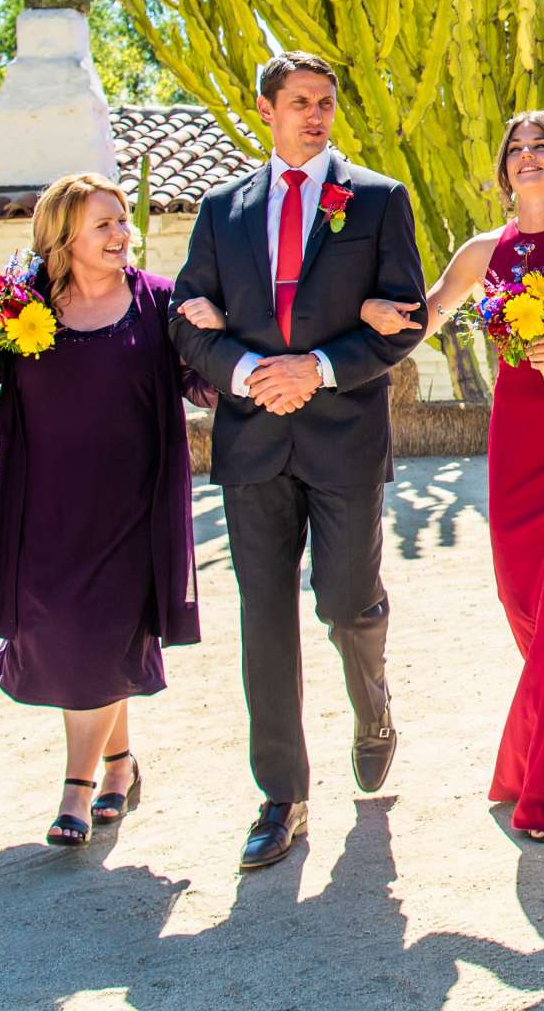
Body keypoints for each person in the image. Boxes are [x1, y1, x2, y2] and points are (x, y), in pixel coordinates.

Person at [170, 52, 428, 871]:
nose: (316, 116)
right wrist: (249, 373)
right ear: (265, 109)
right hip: (252, 441)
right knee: (265, 620)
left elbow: (408, 320)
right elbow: (187, 320)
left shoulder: (380, 200)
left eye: (326, 103)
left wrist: (314, 368)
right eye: (300, 102)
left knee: (347, 602)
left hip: (344, 435)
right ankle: (281, 797)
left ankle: (373, 706)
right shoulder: (221, 210)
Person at [0, 173, 208, 846]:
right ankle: (121, 765)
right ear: (62, 238)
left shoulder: (159, 305)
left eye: (122, 222)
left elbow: (203, 385)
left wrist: (220, 336)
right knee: (79, 641)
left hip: (132, 507)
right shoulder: (22, 307)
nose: (120, 234)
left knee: (97, 636)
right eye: (103, 225)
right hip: (42, 506)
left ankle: (76, 789)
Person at [415, 111, 544, 842]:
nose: (527, 157)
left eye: (542, 147)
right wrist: (352, 333)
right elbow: (430, 311)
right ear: (505, 172)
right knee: (521, 599)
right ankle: (528, 756)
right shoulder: (484, 252)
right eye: (516, 150)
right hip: (517, 448)